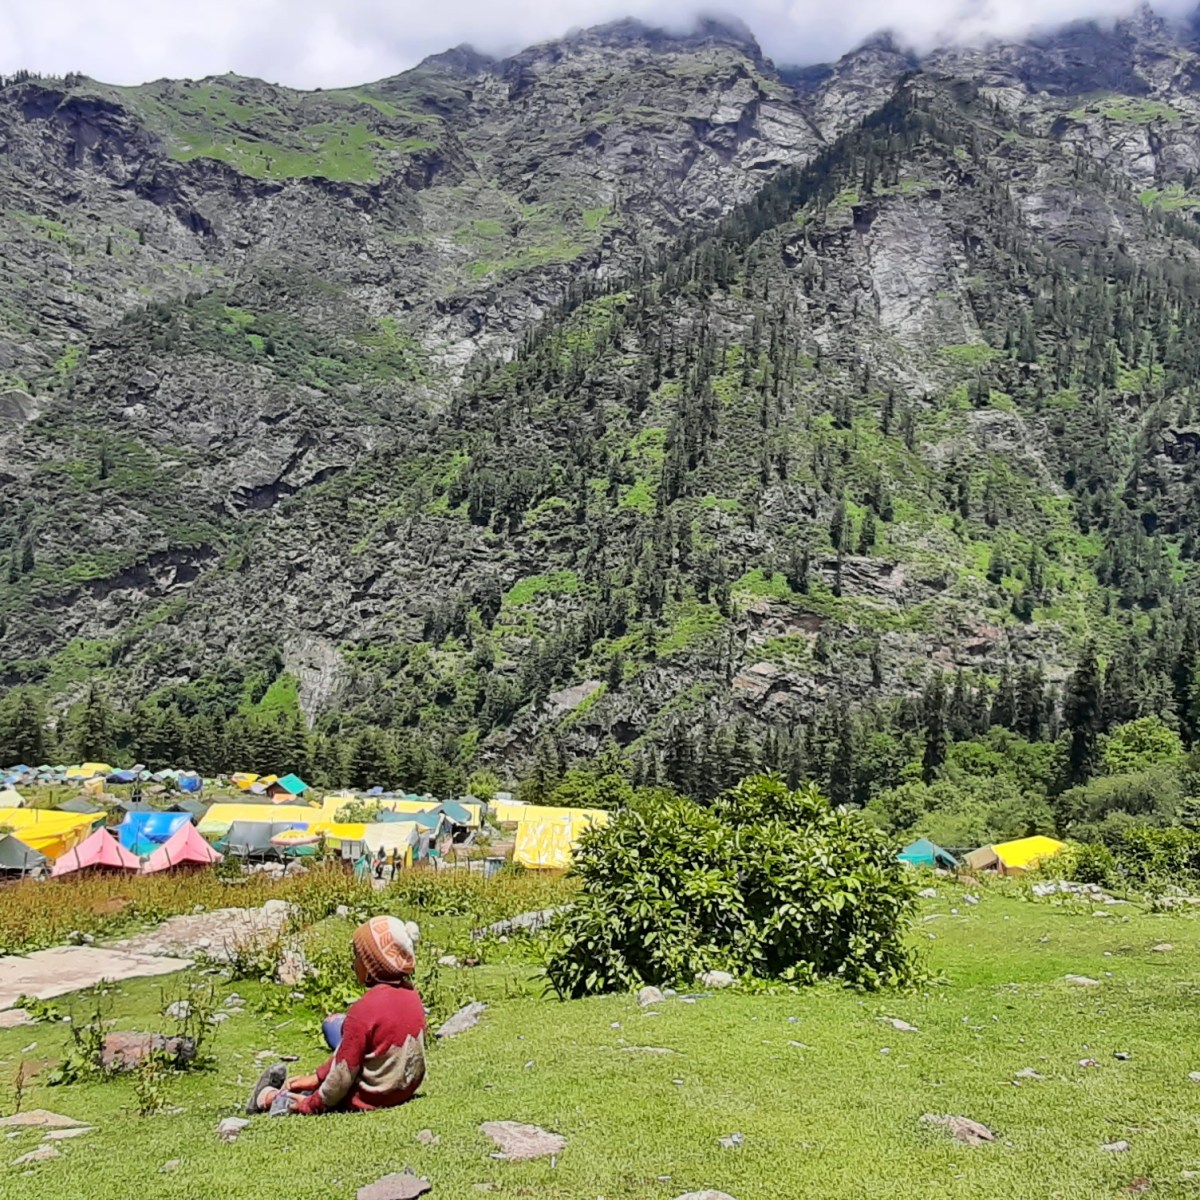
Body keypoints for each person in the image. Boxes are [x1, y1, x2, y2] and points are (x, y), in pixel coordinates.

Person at [246, 916, 426, 1116]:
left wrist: (311, 1104)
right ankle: (304, 1084)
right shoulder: (412, 996)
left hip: (369, 1096)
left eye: (357, 957)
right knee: (338, 1028)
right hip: (401, 1089)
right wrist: (317, 1075)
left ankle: (267, 1098)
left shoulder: (365, 1010)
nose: (354, 963)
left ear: (370, 964)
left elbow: (342, 1076)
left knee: (312, 1093)